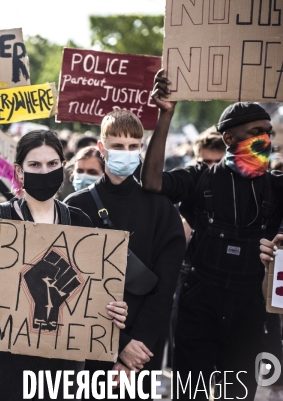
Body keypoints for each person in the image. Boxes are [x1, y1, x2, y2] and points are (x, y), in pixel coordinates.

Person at [142, 70, 281, 400]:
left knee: (239, 394)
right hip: (199, 305)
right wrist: (166, 115)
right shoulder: (198, 180)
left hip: (249, 309)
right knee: (192, 394)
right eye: (256, 132)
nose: (266, 139)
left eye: (268, 132)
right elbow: (152, 183)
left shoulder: (275, 186)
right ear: (230, 139)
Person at [0, 129, 129, 401]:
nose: (44, 171)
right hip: (4, 366)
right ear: (19, 171)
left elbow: (91, 293)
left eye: (52, 164)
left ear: (63, 167)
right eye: (35, 165)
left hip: (61, 371)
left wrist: (112, 309)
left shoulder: (80, 222)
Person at [64, 110, 186, 398]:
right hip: (85, 346)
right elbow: (67, 284)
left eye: (133, 146)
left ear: (142, 148)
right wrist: (119, 344)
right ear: (102, 148)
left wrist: (135, 350)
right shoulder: (74, 205)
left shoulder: (161, 208)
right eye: (118, 146)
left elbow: (164, 286)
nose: (126, 153)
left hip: (142, 352)